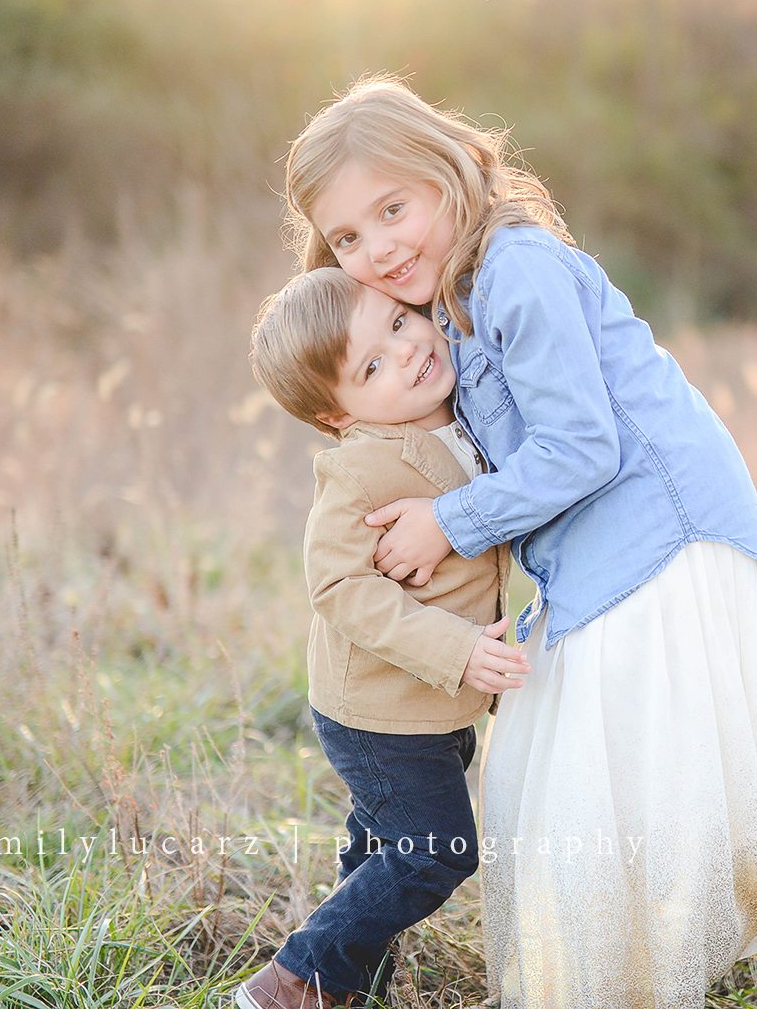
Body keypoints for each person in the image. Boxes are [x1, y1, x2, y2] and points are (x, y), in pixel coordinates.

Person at [282, 76, 757, 1008]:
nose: (377, 249)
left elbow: (580, 447)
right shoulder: (446, 307)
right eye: (348, 237)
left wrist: (446, 523)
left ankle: (628, 972)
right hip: (609, 546)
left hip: (662, 531)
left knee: (601, 761)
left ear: (448, 173)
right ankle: (617, 964)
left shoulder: (516, 270)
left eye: (392, 209)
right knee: (564, 757)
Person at [241, 266, 531, 1009]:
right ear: (337, 415)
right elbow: (337, 587)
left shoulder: (461, 411)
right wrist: (456, 649)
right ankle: (294, 980)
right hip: (376, 713)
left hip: (427, 708)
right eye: (371, 366)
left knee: (377, 845)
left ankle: (348, 984)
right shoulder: (360, 468)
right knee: (437, 849)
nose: (405, 352)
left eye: (398, 324)